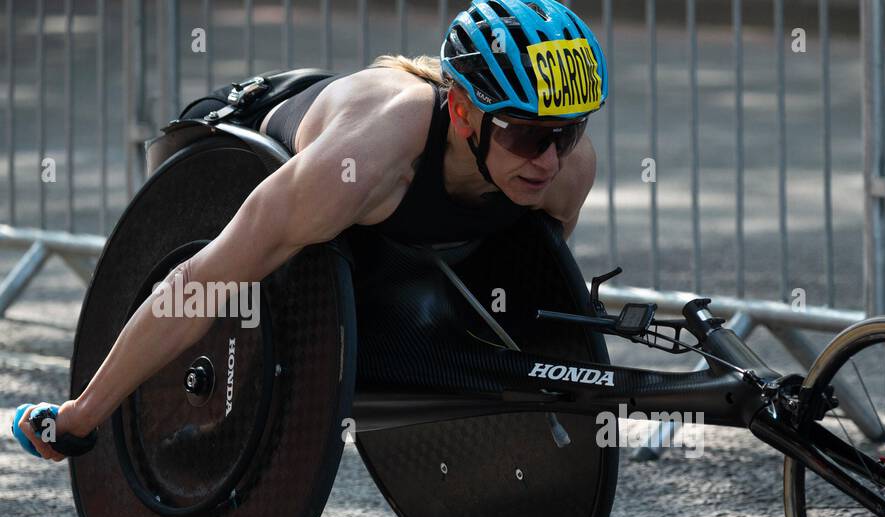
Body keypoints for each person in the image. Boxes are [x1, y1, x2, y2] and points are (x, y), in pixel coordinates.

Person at [12, 0, 607, 460]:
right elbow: (203, 281)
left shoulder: (563, 174)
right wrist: (80, 417)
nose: (549, 161)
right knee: (273, 268)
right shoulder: (367, 162)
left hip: (371, 211)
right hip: (243, 138)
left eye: (568, 132)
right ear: (461, 112)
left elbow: (523, 291)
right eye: (525, 135)